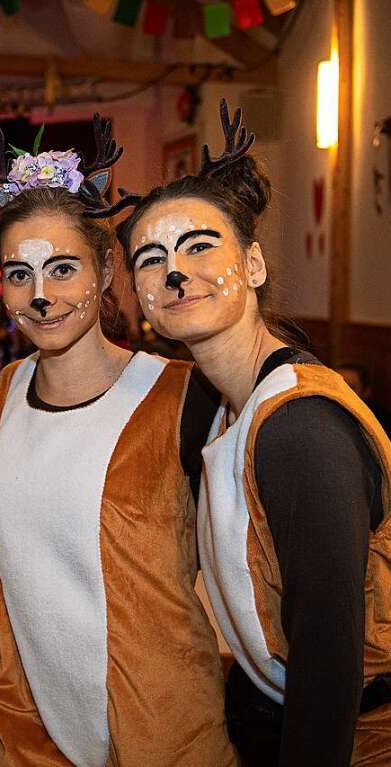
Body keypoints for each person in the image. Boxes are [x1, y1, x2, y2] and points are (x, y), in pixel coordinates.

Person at [114, 100, 391, 765]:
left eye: (199, 245)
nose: (174, 272)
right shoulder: (217, 403)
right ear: (138, 297)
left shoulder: (298, 428)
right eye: (150, 259)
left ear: (256, 265)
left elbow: (327, 660)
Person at [0, 119, 236, 765]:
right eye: (17, 273)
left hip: (161, 733)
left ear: (104, 267)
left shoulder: (183, 396)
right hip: (29, 734)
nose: (40, 295)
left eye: (62, 268)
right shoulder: (4, 391)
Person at [337, 364, 391, 436]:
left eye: (351, 388)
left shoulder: (381, 422)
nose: (342, 392)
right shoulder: (324, 411)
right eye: (336, 387)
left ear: (365, 392)